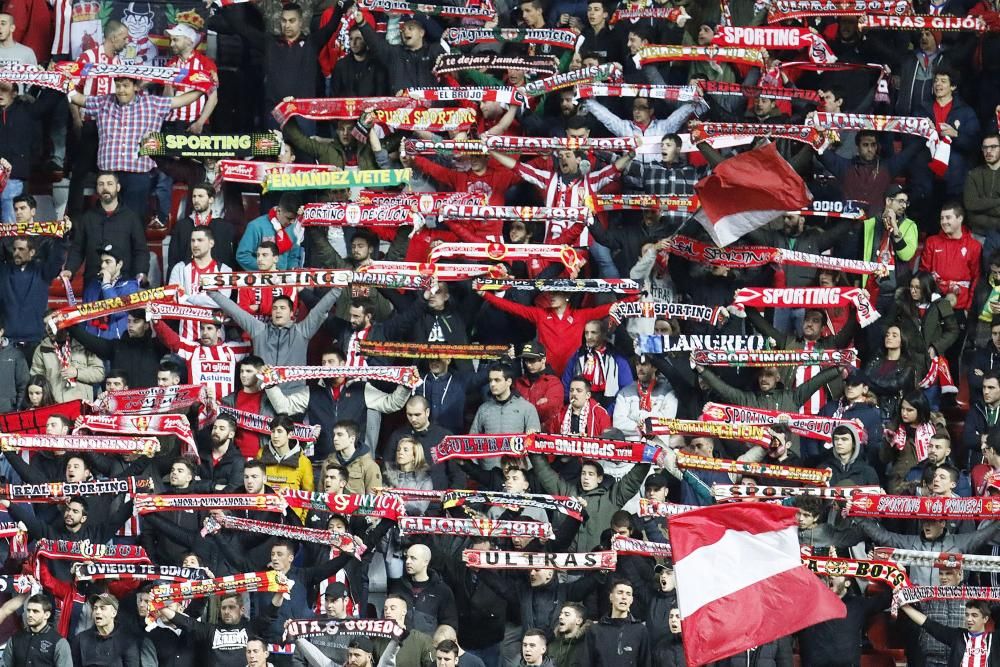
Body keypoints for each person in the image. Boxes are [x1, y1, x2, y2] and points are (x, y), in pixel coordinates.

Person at [65, 79, 207, 220]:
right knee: (106, 222)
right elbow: (76, 98)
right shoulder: (104, 101)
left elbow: (181, 100)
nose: (121, 90)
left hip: (139, 175)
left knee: (134, 223)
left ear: (136, 87)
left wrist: (204, 85)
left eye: (125, 86)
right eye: (118, 86)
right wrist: (63, 80)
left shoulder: (152, 103)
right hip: (108, 175)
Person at [61, 172, 149, 285]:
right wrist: (70, 269)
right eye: (101, 184)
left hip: (124, 283)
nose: (105, 188)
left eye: (110, 184)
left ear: (118, 187)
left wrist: (141, 272)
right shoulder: (87, 218)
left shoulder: (131, 218)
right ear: (97, 188)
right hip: (93, 282)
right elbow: (77, 249)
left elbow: (140, 250)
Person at [169, 227, 234, 340]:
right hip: (186, 340)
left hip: (215, 341)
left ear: (211, 243)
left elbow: (222, 302)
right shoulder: (179, 268)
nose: (195, 244)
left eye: (200, 240)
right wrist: (208, 302)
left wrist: (188, 298)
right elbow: (174, 299)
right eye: (192, 240)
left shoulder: (224, 270)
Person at [899, 599, 999, 665]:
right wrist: (903, 604)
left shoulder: (995, 639)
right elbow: (928, 624)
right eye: (967, 615)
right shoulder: (958, 636)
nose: (969, 619)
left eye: (974, 615)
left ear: (985, 619)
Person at [388, 544, 459, 636]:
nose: (407, 561)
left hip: (429, 647)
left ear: (426, 562)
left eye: (413, 558)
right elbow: (386, 618)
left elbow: (449, 626)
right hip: (401, 646)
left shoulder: (442, 591)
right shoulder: (397, 588)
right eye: (407, 557)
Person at [580, 579, 651, 667]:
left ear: (631, 600)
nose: (624, 597)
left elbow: (645, 663)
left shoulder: (640, 630)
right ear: (611, 597)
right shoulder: (595, 630)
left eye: (628, 594)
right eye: (620, 592)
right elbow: (586, 663)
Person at [81, 244, 139, 340]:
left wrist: (107, 285)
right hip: (91, 343)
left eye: (108, 262)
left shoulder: (130, 287)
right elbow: (83, 316)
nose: (103, 265)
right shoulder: (93, 285)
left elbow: (119, 313)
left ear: (119, 264)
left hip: (116, 344)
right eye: (102, 261)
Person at [1, 593, 71, 667]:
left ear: (46, 615)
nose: (30, 614)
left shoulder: (59, 643)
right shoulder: (14, 639)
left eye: (35, 611)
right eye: (28, 610)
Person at [70, 594, 139, 667]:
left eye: (102, 608)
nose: (97, 612)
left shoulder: (127, 641)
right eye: (95, 608)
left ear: (114, 613)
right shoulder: (81, 639)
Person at [965, 133, 1000, 235]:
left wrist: (981, 209)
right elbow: (970, 205)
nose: (988, 151)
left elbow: (975, 208)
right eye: (985, 147)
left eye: (993, 147)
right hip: (978, 235)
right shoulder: (973, 174)